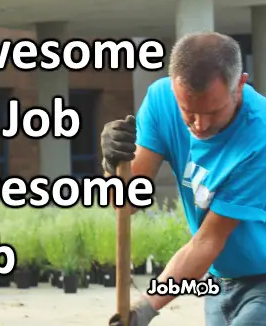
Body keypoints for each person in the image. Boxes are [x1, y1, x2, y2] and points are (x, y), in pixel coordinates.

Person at [102, 32, 266, 326]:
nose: (199, 125)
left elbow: (207, 241)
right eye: (188, 112)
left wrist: (146, 308)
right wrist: (112, 164)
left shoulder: (260, 136)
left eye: (212, 112)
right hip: (220, 279)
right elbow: (125, 206)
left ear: (239, 85)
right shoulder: (161, 101)